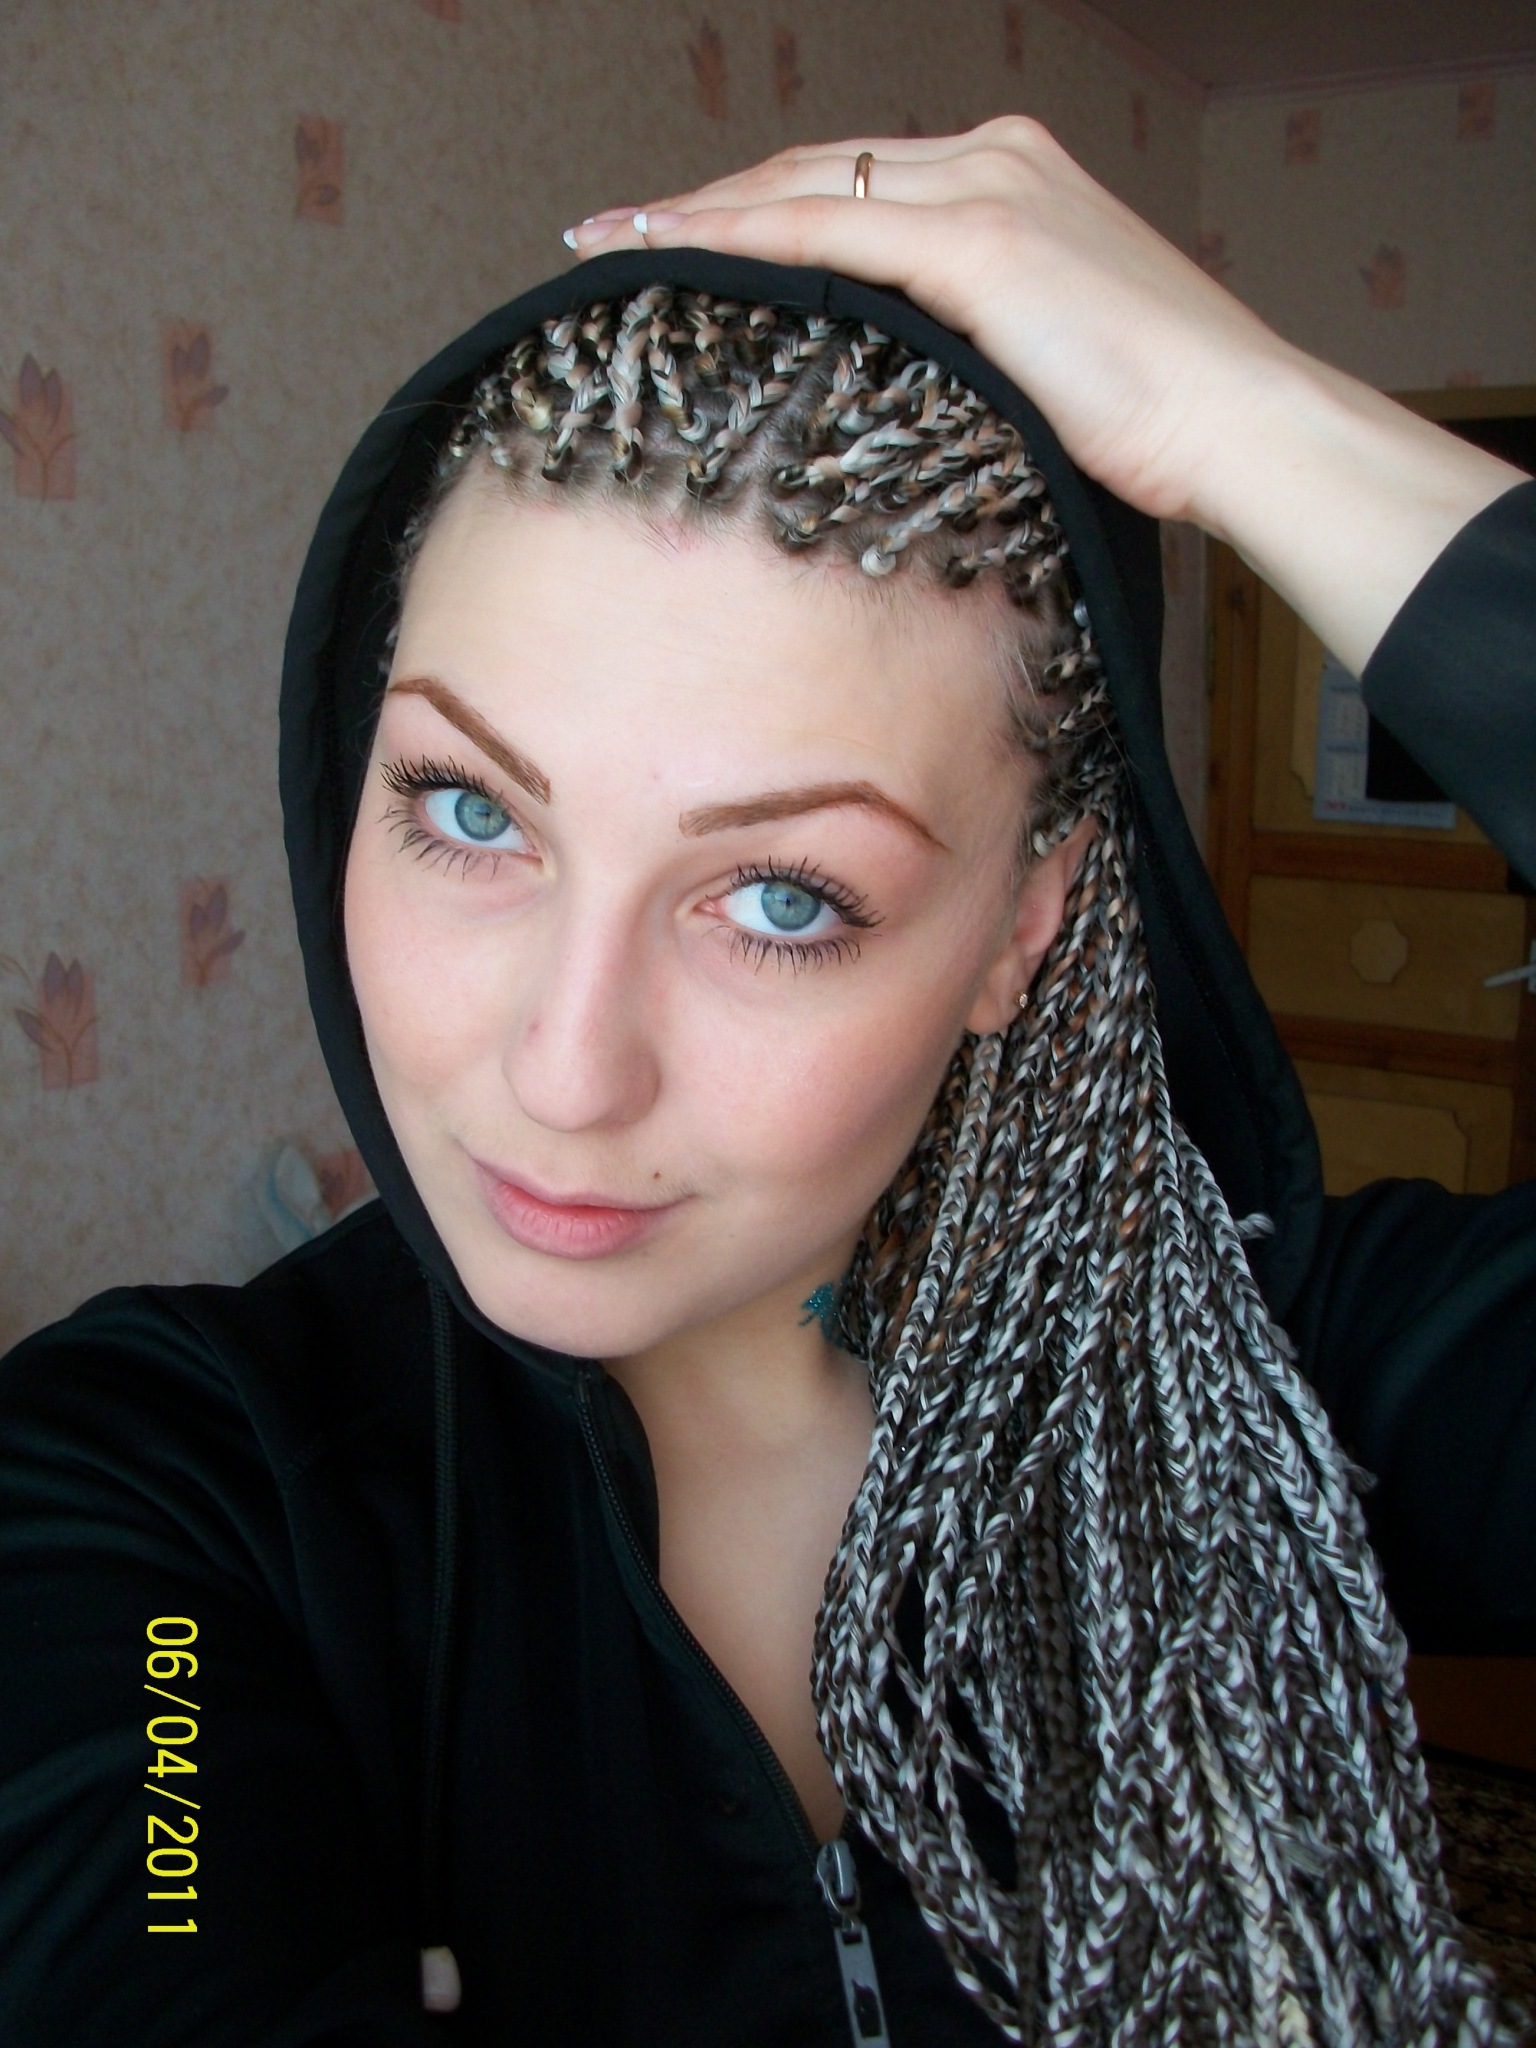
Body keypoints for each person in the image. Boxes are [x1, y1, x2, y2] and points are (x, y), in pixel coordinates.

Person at [0, 120, 1531, 2048]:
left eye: (784, 898)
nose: (565, 1071)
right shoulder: (157, 1502)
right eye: (468, 811)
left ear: (1024, 929)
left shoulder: (1264, 1376)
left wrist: (1255, 421)